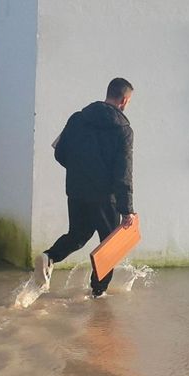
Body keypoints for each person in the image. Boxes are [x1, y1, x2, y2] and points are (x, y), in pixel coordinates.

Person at [35, 78, 137, 297]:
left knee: (78, 235)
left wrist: (79, 171)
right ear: (124, 100)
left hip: (77, 191)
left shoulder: (77, 119)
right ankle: (97, 296)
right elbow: (123, 172)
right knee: (109, 247)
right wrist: (126, 208)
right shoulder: (123, 130)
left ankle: (49, 257)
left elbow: (60, 153)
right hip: (105, 197)